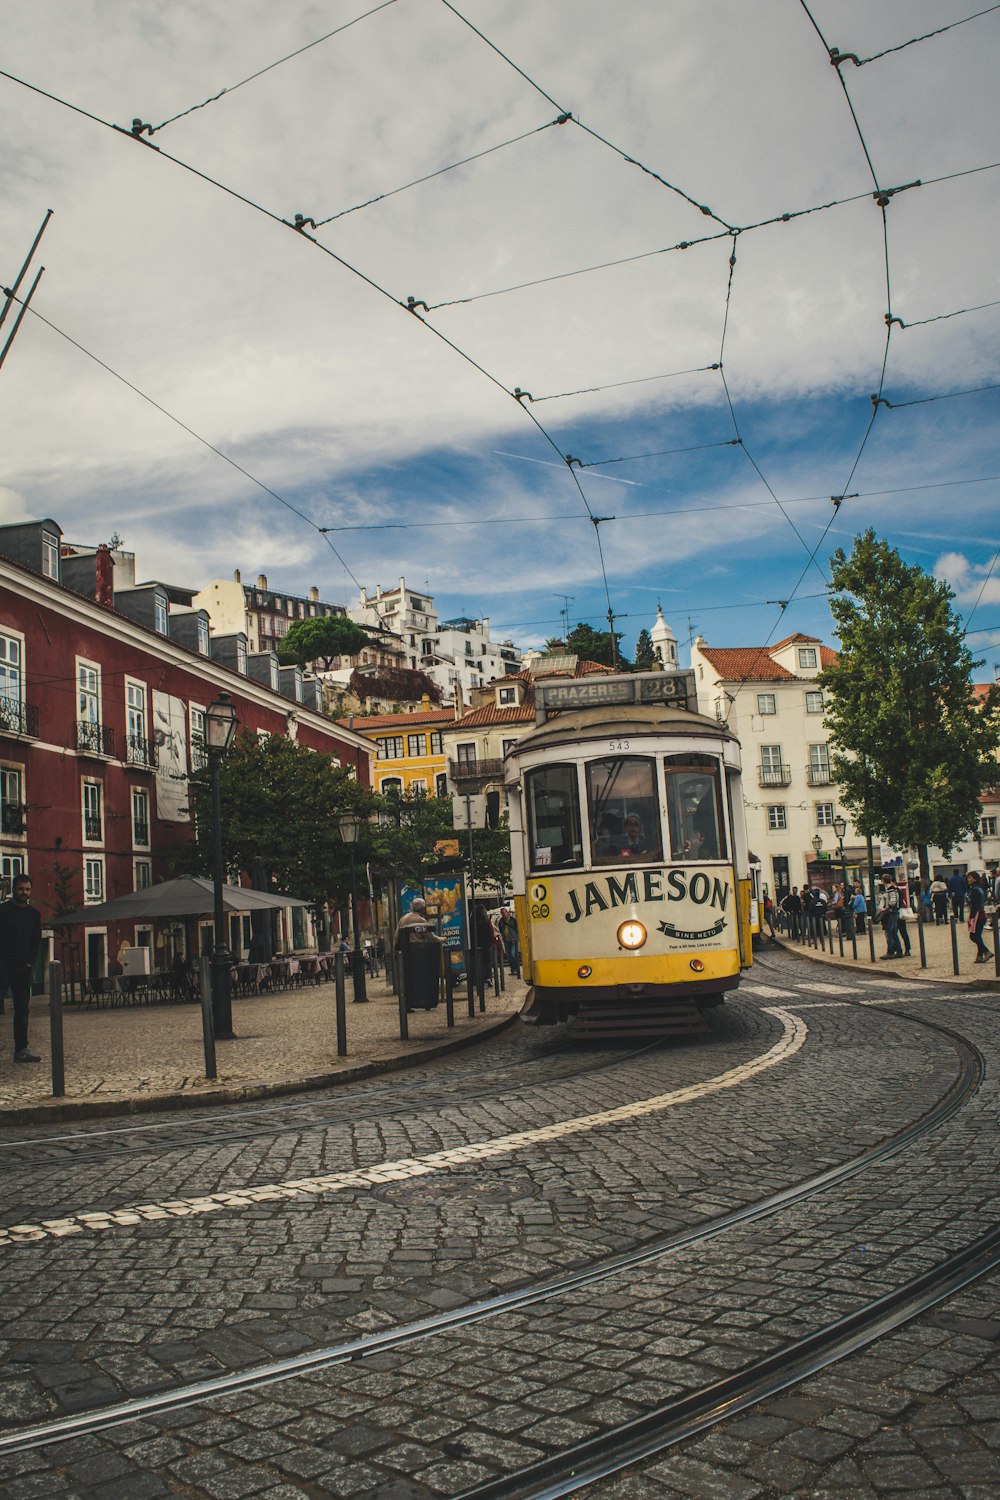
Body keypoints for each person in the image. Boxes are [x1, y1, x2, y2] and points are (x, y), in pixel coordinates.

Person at [0, 873, 43, 1062]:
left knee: (22, 1009)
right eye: (20, 889)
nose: (24, 892)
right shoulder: (2, 911)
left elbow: (36, 942)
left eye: (27, 889)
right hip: (2, 966)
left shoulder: (34, 914)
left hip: (22, 968)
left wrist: (30, 964)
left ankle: (21, 1050)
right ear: (13, 890)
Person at [966, 871, 992, 964]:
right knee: (977, 936)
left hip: (978, 915)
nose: (968, 879)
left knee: (973, 936)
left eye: (970, 878)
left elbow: (975, 905)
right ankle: (980, 956)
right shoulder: (976, 888)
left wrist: (971, 917)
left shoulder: (975, 890)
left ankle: (986, 951)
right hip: (980, 914)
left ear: (975, 879)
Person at [879, 874, 904, 959]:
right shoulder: (892, 890)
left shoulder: (891, 890)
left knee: (889, 932)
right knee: (893, 932)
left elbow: (893, 902)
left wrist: (885, 909)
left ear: (883, 880)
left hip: (891, 913)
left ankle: (890, 952)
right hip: (892, 912)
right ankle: (899, 950)